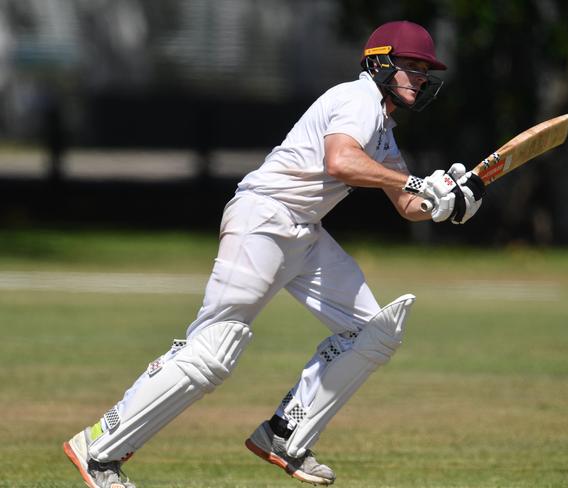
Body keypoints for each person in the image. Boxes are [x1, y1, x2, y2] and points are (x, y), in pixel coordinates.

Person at [63, 20, 485, 488]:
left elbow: (408, 205)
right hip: (263, 219)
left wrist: (447, 200)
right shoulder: (356, 99)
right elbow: (340, 161)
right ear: (380, 63)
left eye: (425, 70)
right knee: (213, 348)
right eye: (412, 66)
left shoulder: (381, 127)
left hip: (303, 233)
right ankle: (99, 449)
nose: (420, 77)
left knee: (373, 331)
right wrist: (412, 182)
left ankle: (284, 434)